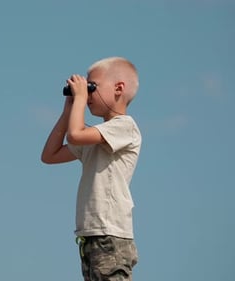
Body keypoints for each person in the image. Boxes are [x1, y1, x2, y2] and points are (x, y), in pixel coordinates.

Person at [41, 57, 142, 281]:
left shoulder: (125, 127)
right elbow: (50, 155)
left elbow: (75, 134)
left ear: (119, 88)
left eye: (92, 87)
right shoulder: (96, 138)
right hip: (91, 234)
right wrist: (68, 110)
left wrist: (78, 100)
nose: (86, 96)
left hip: (110, 233)